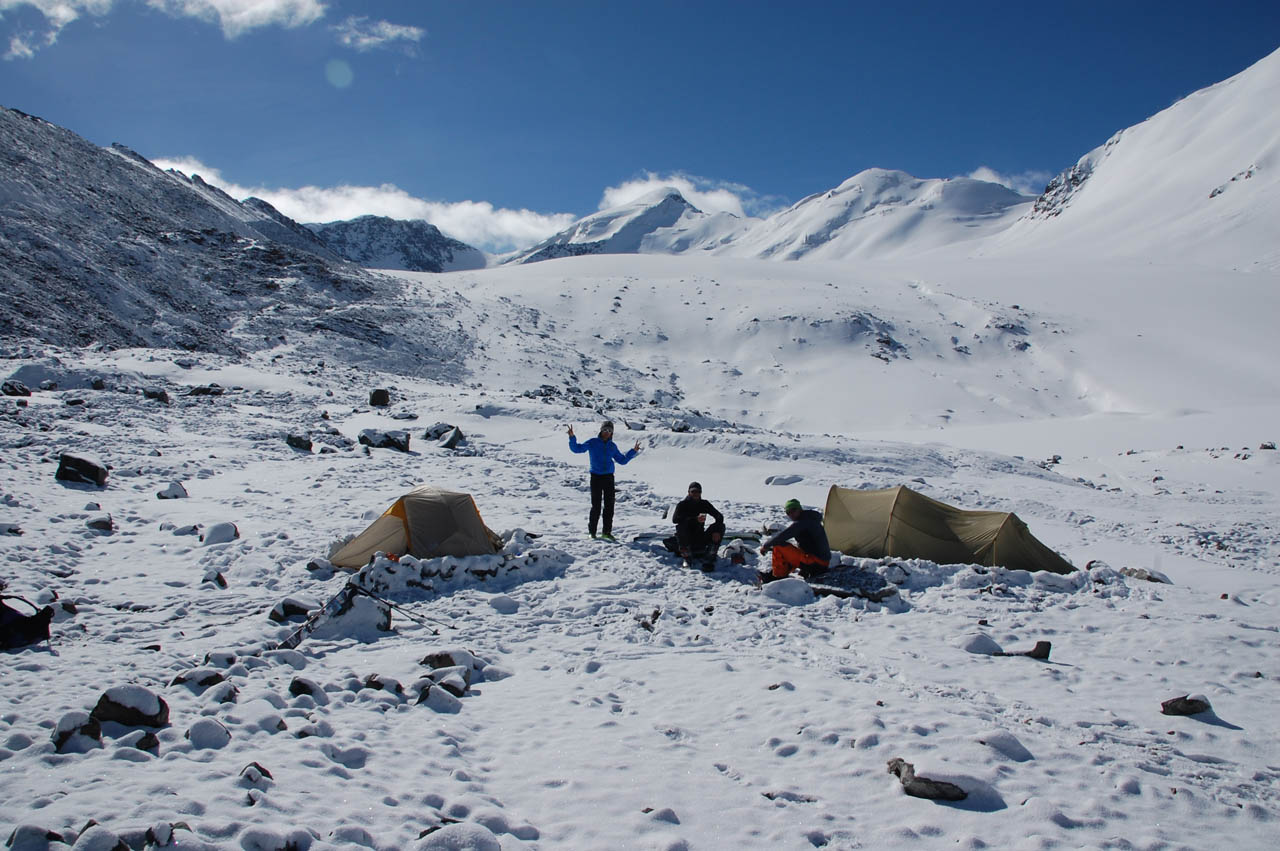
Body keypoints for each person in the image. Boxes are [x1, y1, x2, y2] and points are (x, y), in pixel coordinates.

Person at [568, 420, 640, 541]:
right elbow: (577, 449)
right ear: (601, 430)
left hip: (608, 478)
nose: (607, 432)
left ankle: (606, 532)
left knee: (609, 506)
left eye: (609, 430)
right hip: (596, 477)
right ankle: (592, 532)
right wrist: (572, 437)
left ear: (612, 433)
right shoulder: (593, 442)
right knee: (596, 506)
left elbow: (622, 460)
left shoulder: (612, 446)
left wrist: (633, 451)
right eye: (605, 430)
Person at [759, 498, 832, 579]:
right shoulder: (810, 518)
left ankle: (777, 577)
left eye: (793, 510)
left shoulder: (803, 522)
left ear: (800, 509)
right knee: (790, 550)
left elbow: (783, 536)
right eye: (788, 512)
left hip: (816, 563)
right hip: (821, 562)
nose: (791, 514)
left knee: (779, 546)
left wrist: (765, 546)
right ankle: (782, 573)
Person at [672, 481, 725, 566]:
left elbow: (719, 517)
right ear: (689, 492)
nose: (696, 494)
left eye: (698, 491)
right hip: (686, 539)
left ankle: (711, 554)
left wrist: (717, 531)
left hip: (700, 537)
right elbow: (675, 520)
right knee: (680, 526)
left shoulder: (704, 504)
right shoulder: (682, 505)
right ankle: (686, 556)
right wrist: (694, 519)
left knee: (720, 526)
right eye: (693, 491)